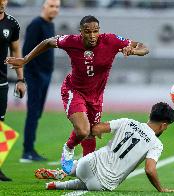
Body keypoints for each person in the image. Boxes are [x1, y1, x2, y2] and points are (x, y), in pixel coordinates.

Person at [5, 15, 149, 174]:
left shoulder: (111, 40)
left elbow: (144, 47)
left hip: (96, 96)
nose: (92, 35)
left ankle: (87, 172)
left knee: (91, 133)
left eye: (95, 31)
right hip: (74, 90)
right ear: (81, 32)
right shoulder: (71, 41)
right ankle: (68, 148)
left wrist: (134, 50)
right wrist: (25, 60)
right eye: (88, 32)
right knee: (82, 130)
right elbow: (47, 42)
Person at [45, 102, 174, 192]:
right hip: (101, 183)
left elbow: (97, 128)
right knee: (88, 184)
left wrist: (98, 132)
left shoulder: (127, 122)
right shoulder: (156, 144)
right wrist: (161, 189)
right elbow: (150, 170)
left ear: (150, 115)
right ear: (164, 125)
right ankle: (58, 184)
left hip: (87, 163)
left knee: (82, 169)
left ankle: (64, 173)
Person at [19, 0, 60, 163]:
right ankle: (27, 151)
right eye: (51, 6)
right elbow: (26, 50)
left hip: (46, 74)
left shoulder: (50, 25)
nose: (55, 9)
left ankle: (30, 149)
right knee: (33, 112)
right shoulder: (36, 24)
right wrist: (32, 74)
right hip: (36, 74)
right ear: (44, 7)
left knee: (37, 113)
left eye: (57, 7)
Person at [0, 0, 26, 181]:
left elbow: (16, 52)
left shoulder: (12, 24)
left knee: (1, 127)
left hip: (1, 82)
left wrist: (20, 79)